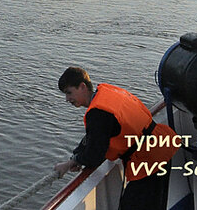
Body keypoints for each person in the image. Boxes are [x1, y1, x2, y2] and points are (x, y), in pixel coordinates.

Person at [54, 66, 177, 210]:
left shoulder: (98, 113)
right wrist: (77, 155)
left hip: (148, 160)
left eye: (69, 93)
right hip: (161, 147)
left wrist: (72, 162)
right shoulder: (107, 93)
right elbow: (94, 137)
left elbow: (95, 155)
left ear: (82, 86)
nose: (67, 99)